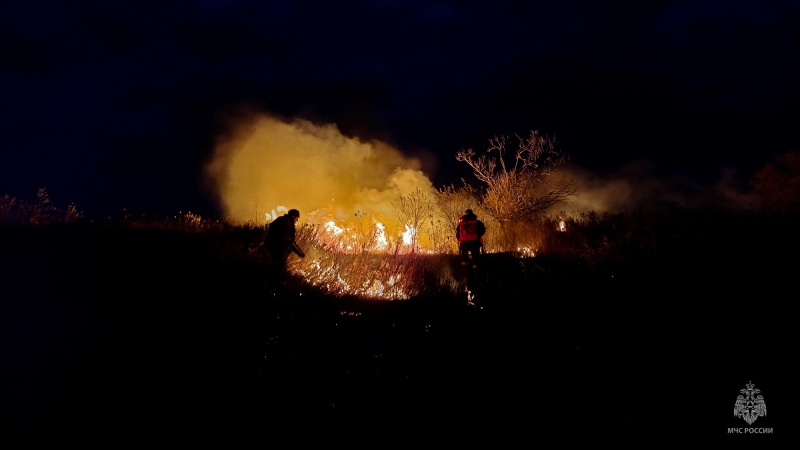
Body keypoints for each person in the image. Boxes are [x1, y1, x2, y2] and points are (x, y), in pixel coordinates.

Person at [263, 208, 306, 294]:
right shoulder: (286, 224)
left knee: (276, 270)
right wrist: (299, 253)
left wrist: (298, 252)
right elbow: (287, 241)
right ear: (293, 216)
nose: (297, 220)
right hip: (279, 252)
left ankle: (273, 289)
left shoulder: (282, 221)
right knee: (279, 272)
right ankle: (276, 291)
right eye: (297, 218)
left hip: (275, 250)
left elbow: (289, 241)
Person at [456, 208, 486, 305]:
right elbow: (483, 230)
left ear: (465, 214)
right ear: (473, 214)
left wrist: (461, 239)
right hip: (475, 242)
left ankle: (466, 271)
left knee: (464, 258)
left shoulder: (461, 223)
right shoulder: (477, 222)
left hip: (464, 243)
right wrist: (477, 236)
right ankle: (476, 271)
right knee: (475, 257)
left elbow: (457, 234)